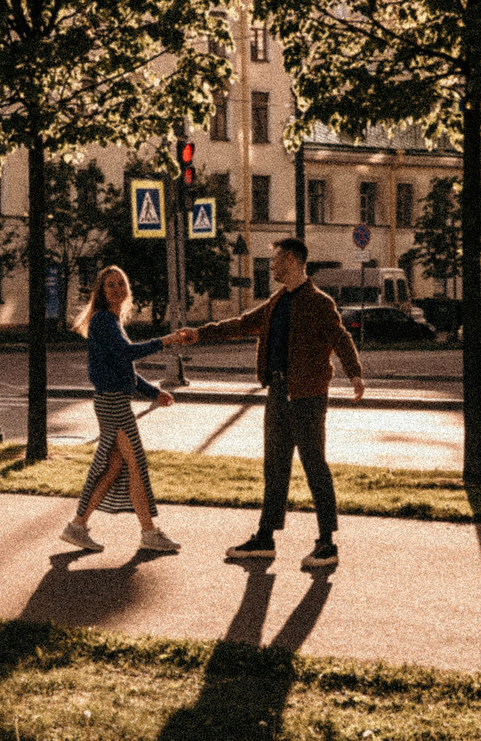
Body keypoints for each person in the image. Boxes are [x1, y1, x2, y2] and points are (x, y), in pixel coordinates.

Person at [197, 237, 366, 570]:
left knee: (314, 466)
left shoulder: (319, 302)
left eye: (274, 260)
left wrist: (355, 374)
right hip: (277, 392)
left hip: (307, 396)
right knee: (274, 468)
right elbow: (244, 324)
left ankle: (327, 542)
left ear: (290, 260)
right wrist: (200, 334)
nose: (271, 265)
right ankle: (265, 538)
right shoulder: (277, 300)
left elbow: (340, 337)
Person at [60, 265, 195, 554]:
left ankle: (77, 526)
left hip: (113, 400)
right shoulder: (102, 321)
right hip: (113, 404)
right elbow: (127, 353)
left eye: (121, 283)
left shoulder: (110, 321)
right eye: (110, 285)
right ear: (100, 291)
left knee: (114, 467)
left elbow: (125, 370)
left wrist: (154, 392)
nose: (117, 289)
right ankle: (149, 532)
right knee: (136, 464)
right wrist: (168, 340)